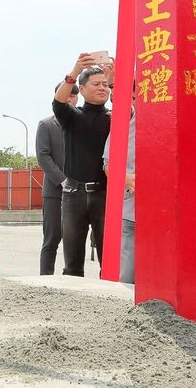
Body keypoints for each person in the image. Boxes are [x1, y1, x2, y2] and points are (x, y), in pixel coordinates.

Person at [52, 55, 113, 277]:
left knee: (110, 261)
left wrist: (115, 79)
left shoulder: (114, 118)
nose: (102, 88)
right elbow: (58, 103)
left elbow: (130, 108)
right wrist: (75, 71)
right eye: (96, 84)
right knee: (72, 263)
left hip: (105, 194)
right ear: (83, 89)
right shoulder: (73, 116)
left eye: (105, 84)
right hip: (73, 195)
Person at [103, 104, 137, 284]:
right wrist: (125, 178)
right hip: (132, 213)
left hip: (168, 216)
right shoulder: (125, 125)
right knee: (127, 276)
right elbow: (108, 165)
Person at [36, 113, 68, 275]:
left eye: (73, 99)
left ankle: (72, 277)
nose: (70, 101)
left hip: (79, 191)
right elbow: (43, 156)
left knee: (74, 240)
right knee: (52, 238)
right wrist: (62, 180)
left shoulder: (79, 121)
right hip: (54, 191)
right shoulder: (46, 124)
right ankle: (45, 279)